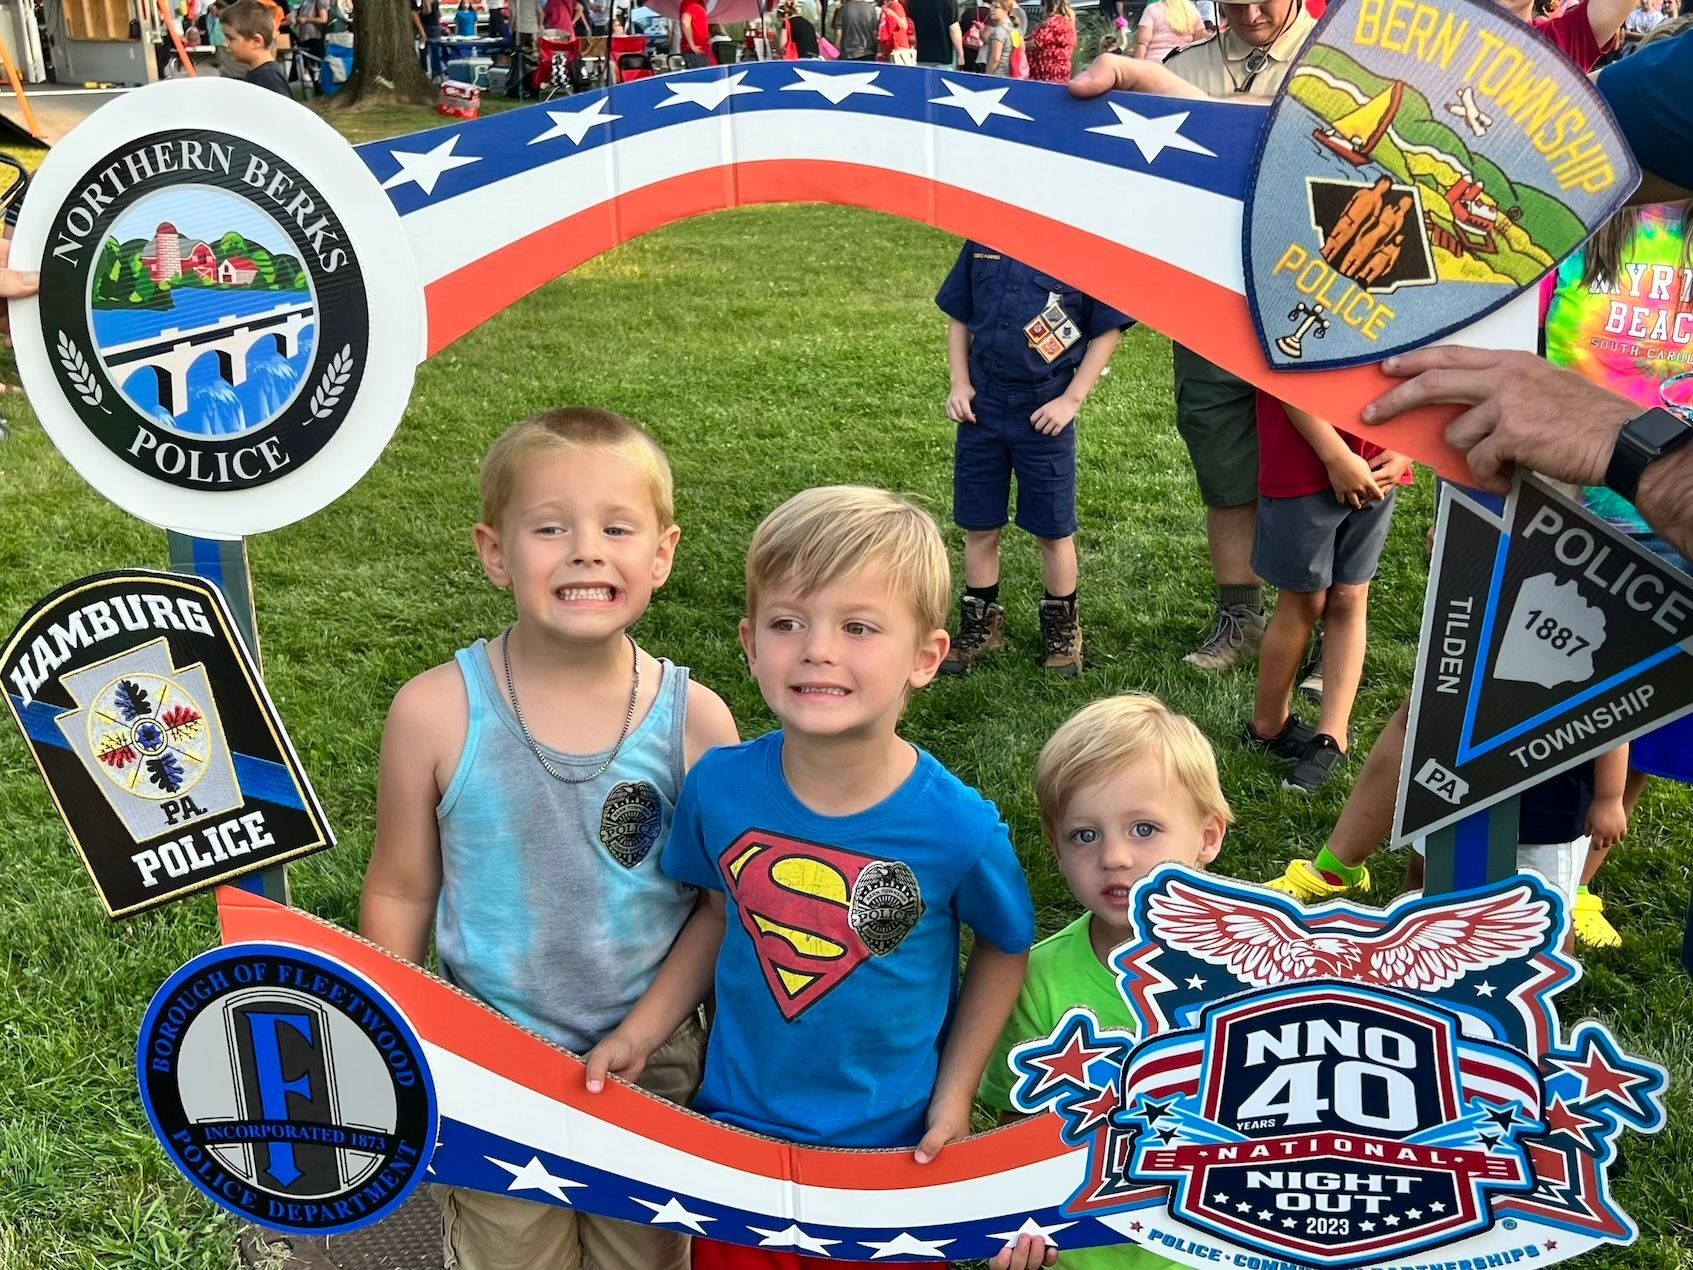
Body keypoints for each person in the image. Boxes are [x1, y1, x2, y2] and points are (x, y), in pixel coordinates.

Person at [608, 485, 1034, 1270]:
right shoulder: (720, 788)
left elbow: (1008, 946)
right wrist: (642, 1032)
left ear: (926, 657)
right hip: (735, 1154)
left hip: (891, 1169)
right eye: (787, 622)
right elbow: (714, 915)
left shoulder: (956, 828)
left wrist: (953, 1098)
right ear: (749, 641)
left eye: (858, 626)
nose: (817, 649)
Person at [361, 408, 739, 1270]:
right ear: (495, 552)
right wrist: (414, 1036)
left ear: (662, 553)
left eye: (616, 527)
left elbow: (719, 911)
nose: (584, 550)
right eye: (549, 527)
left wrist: (645, 1033)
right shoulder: (434, 713)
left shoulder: (698, 725)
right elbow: (399, 888)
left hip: (654, 1061)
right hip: (491, 1063)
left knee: (641, 1259)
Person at [1072, 0, 1321, 676]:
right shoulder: (1183, 67)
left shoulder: (1337, 63)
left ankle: (1321, 622)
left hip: (1313, 305)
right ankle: (1239, 619)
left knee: (1323, 462)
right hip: (1209, 307)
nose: (1250, 10)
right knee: (1221, 459)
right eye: (1232, 0)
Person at [978, 694, 1231, 1270]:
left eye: (1144, 829)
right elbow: (1015, 1130)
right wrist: (1017, 1225)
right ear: (1056, 848)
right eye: (1084, 836)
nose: (1115, 857)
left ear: (1208, 836)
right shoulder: (1036, 980)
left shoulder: (1266, 962)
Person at [1543, 192, 1692, 944]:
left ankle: (1575, 884)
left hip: (1679, 518)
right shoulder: (1579, 220)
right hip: (1570, 511)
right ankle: (1537, 873)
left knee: (1648, 709)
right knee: (1546, 695)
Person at [935, 244, 1131, 677]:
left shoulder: (1081, 243)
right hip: (981, 409)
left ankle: (1062, 631)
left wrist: (1071, 400)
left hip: (1045, 415)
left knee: (1052, 528)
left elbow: (1108, 329)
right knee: (979, 524)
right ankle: (982, 624)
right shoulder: (985, 239)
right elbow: (960, 315)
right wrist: (959, 383)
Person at [1244, 397, 1412, 793]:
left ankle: (1332, 737)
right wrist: (1335, 457)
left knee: (1350, 597)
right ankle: (1268, 726)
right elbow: (1281, 367)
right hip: (1302, 457)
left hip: (1380, 462)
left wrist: (1406, 449)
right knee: (1304, 600)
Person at [220, 0, 296, 96]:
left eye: (230, 38)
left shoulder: (268, 79)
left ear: (256, 41)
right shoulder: (259, 74)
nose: (225, 44)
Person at [1132, 0, 1205, 61]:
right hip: (1184, 64)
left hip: (1155, 65)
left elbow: (1142, 43)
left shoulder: (1153, 9)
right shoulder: (1193, 11)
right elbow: (1199, 43)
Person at [1026, 0, 1075, 81]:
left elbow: (1037, 43)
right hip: (1048, 73)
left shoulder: (1056, 22)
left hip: (1050, 74)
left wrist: (1017, 45)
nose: (1042, 9)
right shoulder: (1065, 21)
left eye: (1044, 5)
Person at [910, 0, 964, 67]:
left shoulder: (915, 2)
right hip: (943, 58)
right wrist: (960, 55)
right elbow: (954, 29)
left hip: (922, 57)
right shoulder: (950, 1)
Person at [979, 0, 1016, 73]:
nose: (991, 9)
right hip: (1009, 72)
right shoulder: (1014, 28)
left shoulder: (999, 31)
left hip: (997, 73)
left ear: (1006, 10)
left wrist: (988, 74)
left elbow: (995, 58)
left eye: (996, 7)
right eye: (992, 6)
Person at [958, 0, 991, 68]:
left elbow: (961, 30)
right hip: (984, 54)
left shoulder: (969, 12)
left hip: (967, 50)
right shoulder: (994, 16)